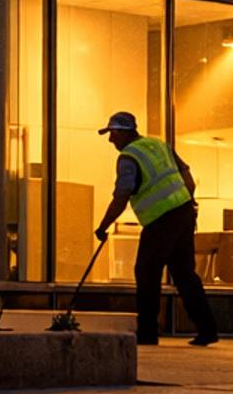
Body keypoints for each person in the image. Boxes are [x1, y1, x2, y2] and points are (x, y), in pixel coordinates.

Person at [94, 111, 219, 347]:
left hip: (161, 220)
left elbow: (121, 196)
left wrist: (103, 226)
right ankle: (208, 329)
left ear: (123, 132)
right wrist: (186, 201)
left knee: (146, 272)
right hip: (183, 213)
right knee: (184, 274)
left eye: (113, 134)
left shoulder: (128, 158)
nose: (111, 140)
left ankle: (148, 334)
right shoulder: (159, 145)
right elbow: (186, 174)